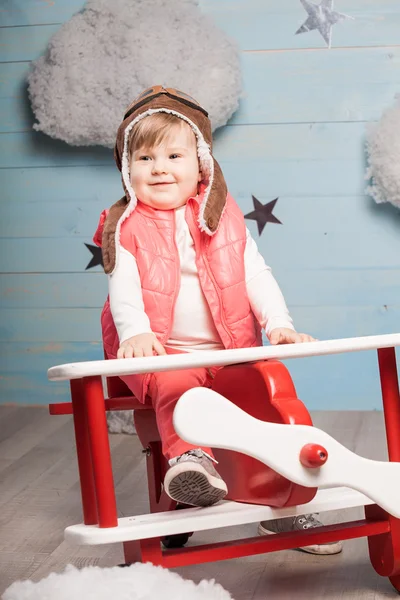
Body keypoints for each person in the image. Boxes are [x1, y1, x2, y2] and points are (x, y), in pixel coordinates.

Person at [94, 85, 342, 555]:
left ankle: (287, 501)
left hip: (233, 352)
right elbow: (122, 288)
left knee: (271, 400)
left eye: (173, 155)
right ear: (129, 170)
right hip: (167, 353)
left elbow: (255, 274)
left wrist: (279, 324)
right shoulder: (125, 225)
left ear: (201, 162)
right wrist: (136, 332)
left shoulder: (223, 218)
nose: (160, 168)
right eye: (145, 159)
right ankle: (193, 466)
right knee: (177, 389)